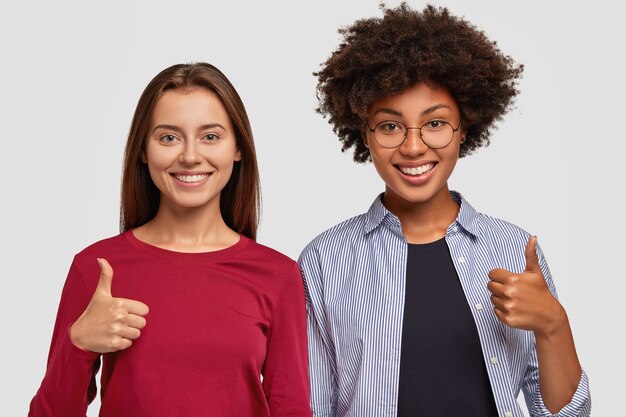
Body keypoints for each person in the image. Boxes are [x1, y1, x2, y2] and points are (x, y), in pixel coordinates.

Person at [298, 4, 590, 417]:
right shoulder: (324, 261)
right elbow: (314, 407)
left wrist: (553, 325)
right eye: (390, 126)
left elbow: (567, 415)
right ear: (364, 133)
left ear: (464, 128)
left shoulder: (511, 248)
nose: (414, 146)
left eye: (435, 123)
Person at [29, 63, 311, 417]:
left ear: (238, 148)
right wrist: (79, 343)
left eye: (210, 136)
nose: (190, 156)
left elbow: (292, 408)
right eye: (168, 137)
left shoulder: (278, 275)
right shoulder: (97, 269)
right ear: (143, 152)